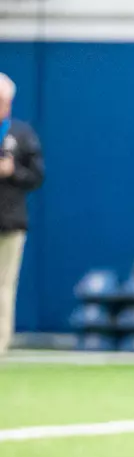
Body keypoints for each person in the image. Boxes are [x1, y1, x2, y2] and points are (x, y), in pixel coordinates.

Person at [0, 73, 45, 356]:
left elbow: (37, 176)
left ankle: (0, 343)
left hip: (10, 221)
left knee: (4, 285)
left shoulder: (21, 133)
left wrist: (12, 171)